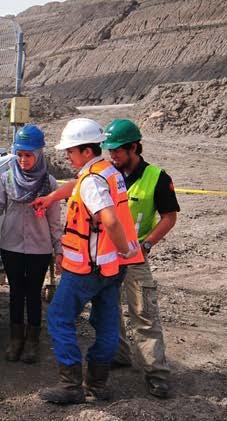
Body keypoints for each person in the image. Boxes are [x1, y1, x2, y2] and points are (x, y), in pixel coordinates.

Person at [35, 118, 142, 404]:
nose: (67, 156)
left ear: (85, 151)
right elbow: (78, 185)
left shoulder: (93, 180)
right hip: (111, 267)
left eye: (70, 151)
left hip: (87, 269)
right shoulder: (106, 170)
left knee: (59, 317)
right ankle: (98, 384)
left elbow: (108, 218)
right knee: (107, 323)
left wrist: (125, 248)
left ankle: (71, 386)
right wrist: (51, 197)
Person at [0, 124, 63, 364]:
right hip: (11, 246)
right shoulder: (7, 177)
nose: (23, 160)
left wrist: (59, 251)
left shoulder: (49, 183)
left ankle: (33, 341)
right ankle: (15, 339)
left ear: (39, 153)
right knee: (15, 293)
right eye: (20, 154)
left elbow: (55, 222)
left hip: (39, 249)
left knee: (33, 294)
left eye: (28, 155)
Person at [101, 118, 178, 398]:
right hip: (108, 255)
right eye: (109, 151)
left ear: (134, 147)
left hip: (134, 257)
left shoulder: (157, 177)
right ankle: (119, 355)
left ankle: (156, 374)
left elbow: (169, 217)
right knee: (109, 310)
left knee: (144, 314)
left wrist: (147, 245)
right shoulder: (109, 173)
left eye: (118, 151)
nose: (113, 156)